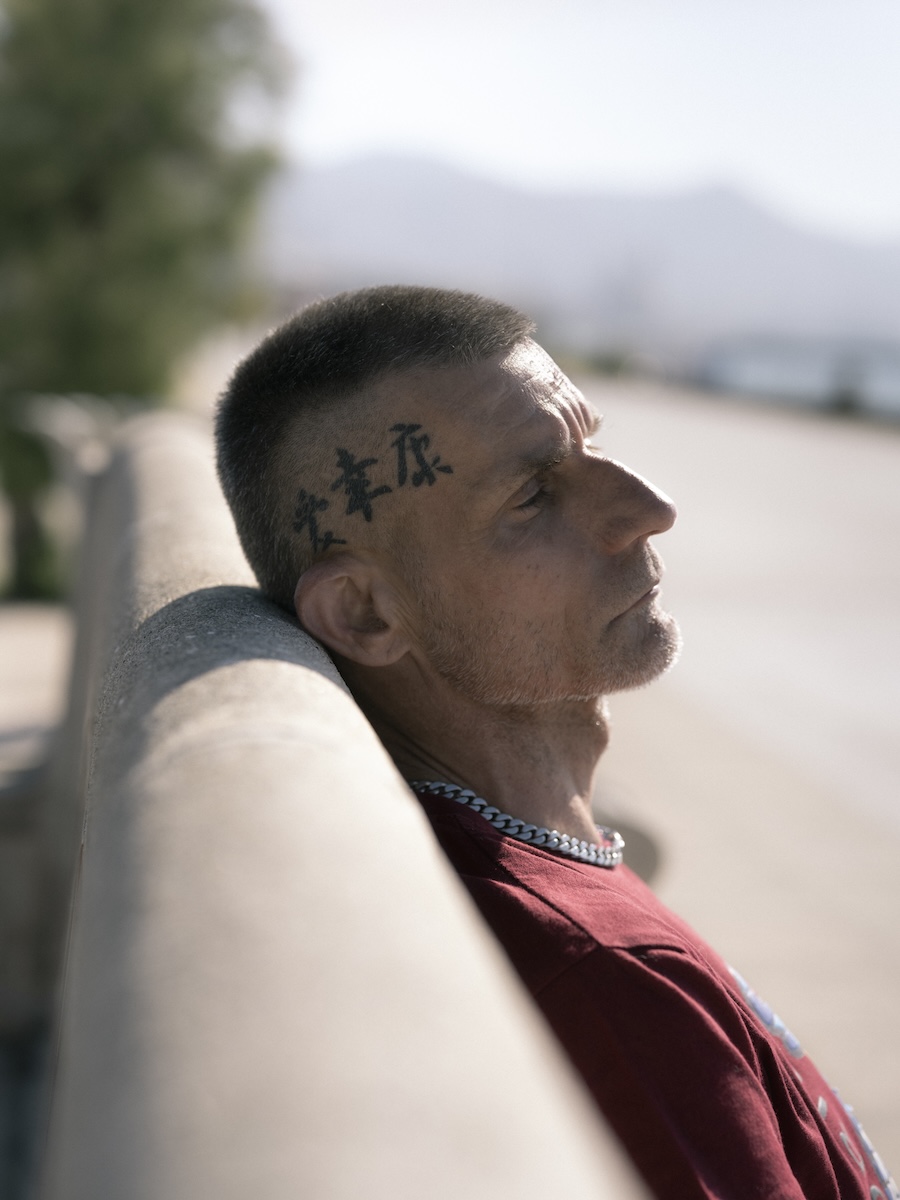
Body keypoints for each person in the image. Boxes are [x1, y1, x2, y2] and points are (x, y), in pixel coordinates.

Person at [215, 285, 897, 1200]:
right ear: (367, 612)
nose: (648, 507)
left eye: (593, 449)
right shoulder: (594, 976)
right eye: (534, 494)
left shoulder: (541, 890)